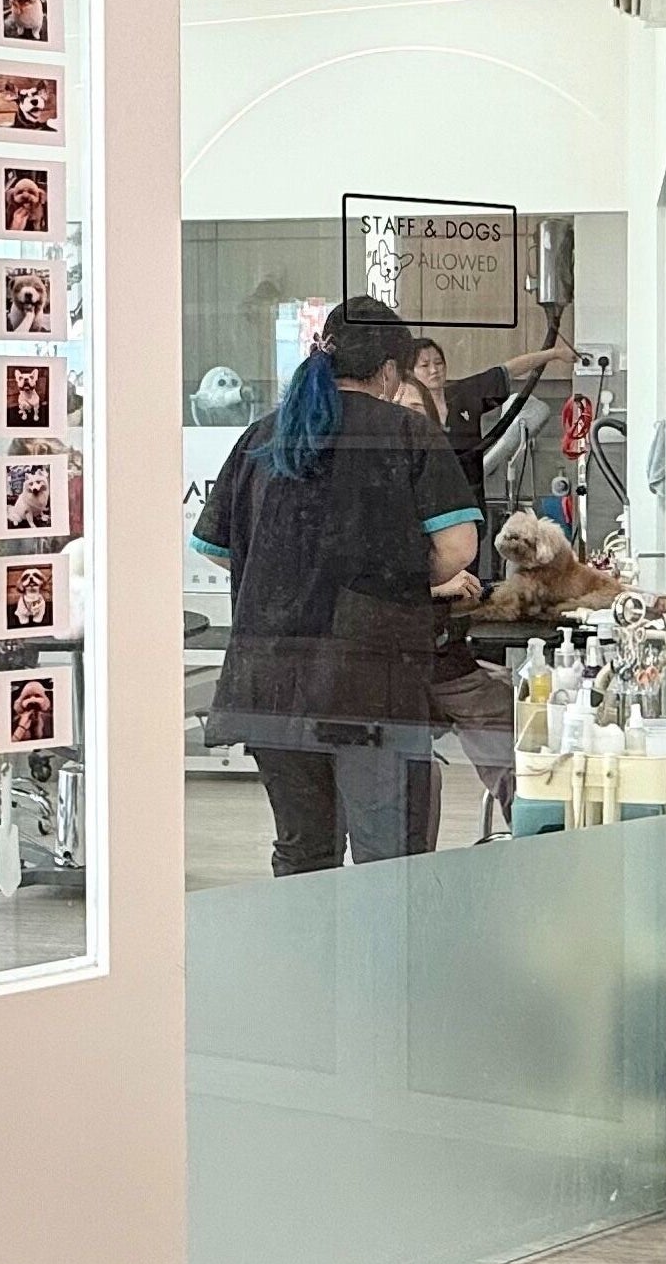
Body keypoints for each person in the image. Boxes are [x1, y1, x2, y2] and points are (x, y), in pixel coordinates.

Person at [195, 298, 480, 874]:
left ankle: (309, 938)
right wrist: (397, 582)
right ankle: (379, 940)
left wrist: (293, 579)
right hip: (370, 682)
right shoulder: (408, 434)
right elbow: (457, 549)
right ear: (390, 371)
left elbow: (216, 548)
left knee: (303, 849)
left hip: (272, 679)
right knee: (387, 854)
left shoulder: (264, 435)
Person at [396, 372, 523, 845]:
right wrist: (434, 589)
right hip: (393, 663)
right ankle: (412, 866)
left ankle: (533, 828)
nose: (404, 421)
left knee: (513, 723)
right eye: (396, 409)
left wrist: (456, 596)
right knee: (416, 775)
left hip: (444, 652)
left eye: (415, 411)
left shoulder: (439, 477)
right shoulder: (366, 489)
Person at [410, 334, 575, 507]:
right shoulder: (407, 411)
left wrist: (554, 353)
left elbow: (508, 370)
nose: (434, 370)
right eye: (424, 365)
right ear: (410, 373)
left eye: (438, 363)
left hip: (470, 502)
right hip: (428, 503)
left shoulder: (463, 393)